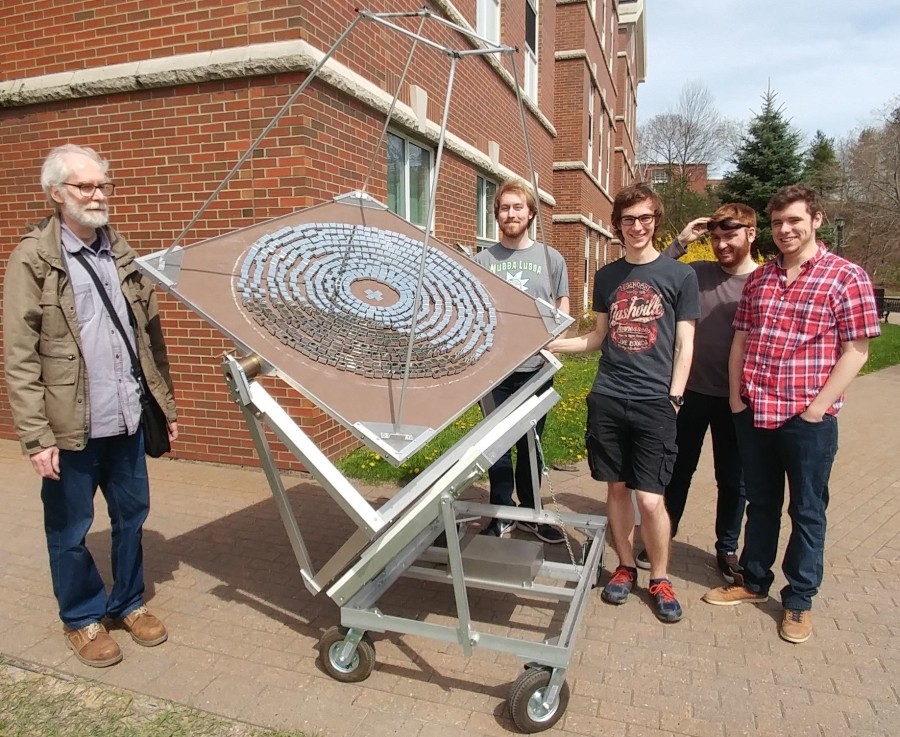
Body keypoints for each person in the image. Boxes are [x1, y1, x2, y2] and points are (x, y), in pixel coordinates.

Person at [3, 144, 178, 667]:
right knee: (70, 529)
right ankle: (81, 617)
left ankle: (127, 601)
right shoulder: (33, 258)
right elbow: (19, 355)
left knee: (132, 516)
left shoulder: (121, 252)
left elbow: (151, 338)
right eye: (85, 186)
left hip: (125, 418)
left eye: (104, 184)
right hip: (69, 428)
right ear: (56, 194)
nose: (98, 194)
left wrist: (163, 406)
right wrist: (36, 437)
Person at [702, 184, 881, 644]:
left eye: (794, 221)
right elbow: (740, 339)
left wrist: (818, 408)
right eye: (778, 222)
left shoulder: (846, 277)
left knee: (806, 510)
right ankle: (753, 580)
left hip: (807, 421)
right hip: (755, 410)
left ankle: (799, 600)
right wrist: (737, 398)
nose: (785, 230)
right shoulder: (760, 279)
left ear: (816, 220)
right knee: (760, 502)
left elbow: (856, 350)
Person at [550, 183, 700, 622]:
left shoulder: (679, 276)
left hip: (656, 402)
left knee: (651, 500)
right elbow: (598, 337)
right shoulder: (607, 277)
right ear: (617, 225)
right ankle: (625, 566)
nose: (638, 226)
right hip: (609, 397)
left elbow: (685, 346)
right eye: (629, 219)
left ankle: (661, 576)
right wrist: (553, 345)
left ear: (656, 221)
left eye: (646, 218)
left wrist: (674, 397)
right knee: (616, 488)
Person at [634, 205, 758, 583]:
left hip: (737, 398)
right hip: (689, 393)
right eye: (716, 238)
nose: (721, 244)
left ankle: (727, 547)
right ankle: (662, 535)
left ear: (751, 234)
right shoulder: (696, 273)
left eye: (729, 236)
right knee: (677, 469)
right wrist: (682, 241)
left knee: (732, 478)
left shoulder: (763, 280)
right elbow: (653, 276)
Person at [474, 178, 570, 544]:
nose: (510, 214)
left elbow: (562, 305)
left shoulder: (551, 258)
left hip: (536, 371)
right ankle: (501, 511)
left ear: (530, 213)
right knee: (496, 444)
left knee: (532, 443)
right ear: (496, 214)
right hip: (493, 372)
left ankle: (531, 511)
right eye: (504, 208)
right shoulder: (483, 259)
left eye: (517, 207)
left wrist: (553, 343)